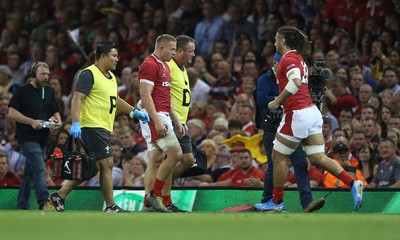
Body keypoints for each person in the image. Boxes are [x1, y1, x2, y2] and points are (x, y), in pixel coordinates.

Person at [264, 26, 364, 212]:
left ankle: (276, 202)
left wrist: (276, 102)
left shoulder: (289, 58)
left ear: (283, 41)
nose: (274, 43)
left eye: (276, 39)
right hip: (311, 112)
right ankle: (352, 183)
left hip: (297, 114)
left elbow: (294, 83)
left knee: (277, 157)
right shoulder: (299, 58)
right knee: (318, 157)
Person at [47, 41, 149, 213]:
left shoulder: (110, 79)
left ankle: (59, 196)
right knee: (107, 164)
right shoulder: (89, 74)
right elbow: (77, 98)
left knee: (92, 167)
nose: (117, 59)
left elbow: (115, 101)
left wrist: (134, 112)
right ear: (103, 56)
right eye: (114, 56)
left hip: (103, 127)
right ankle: (111, 206)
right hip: (91, 125)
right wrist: (76, 122)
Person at [254, 53, 325, 213]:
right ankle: (268, 201)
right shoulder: (265, 79)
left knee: (300, 163)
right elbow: (262, 99)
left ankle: (307, 203)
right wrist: (284, 99)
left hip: (293, 126)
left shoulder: (292, 77)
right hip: (272, 127)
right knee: (273, 165)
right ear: (275, 63)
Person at [8, 61, 62, 210]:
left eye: (47, 74)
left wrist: (58, 122)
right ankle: (44, 202)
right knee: (39, 167)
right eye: (42, 74)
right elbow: (11, 112)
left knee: (30, 174)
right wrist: (31, 121)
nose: (46, 77)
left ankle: (22, 205)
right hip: (26, 138)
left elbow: (55, 111)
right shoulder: (22, 91)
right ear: (33, 75)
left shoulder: (49, 91)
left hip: (43, 138)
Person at [138, 34, 183, 212]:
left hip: (163, 114)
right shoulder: (149, 64)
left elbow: (166, 97)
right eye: (172, 49)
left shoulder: (165, 66)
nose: (174, 53)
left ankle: (155, 202)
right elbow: (145, 94)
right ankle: (154, 196)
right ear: (161, 48)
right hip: (153, 115)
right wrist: (156, 121)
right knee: (176, 153)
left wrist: (176, 120)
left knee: (156, 159)